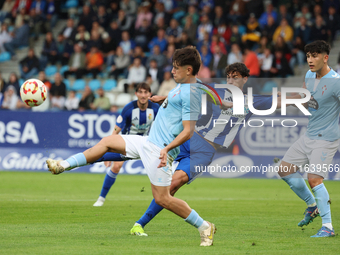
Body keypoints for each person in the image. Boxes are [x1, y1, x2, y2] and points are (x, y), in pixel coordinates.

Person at [46, 46, 217, 246]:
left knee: (163, 199)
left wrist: (167, 149)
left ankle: (204, 226)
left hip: (159, 148)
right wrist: (164, 99)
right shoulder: (183, 86)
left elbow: (188, 131)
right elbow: (197, 93)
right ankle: (62, 165)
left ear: (189, 70)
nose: (172, 71)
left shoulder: (191, 95)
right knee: (107, 142)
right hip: (148, 141)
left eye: (176, 68)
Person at [89, 62, 284, 237]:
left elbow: (280, 99)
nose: (231, 81)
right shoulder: (215, 91)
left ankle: (139, 224)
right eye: (229, 77)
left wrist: (305, 97)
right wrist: (164, 97)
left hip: (205, 151)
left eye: (236, 77)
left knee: (173, 185)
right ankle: (91, 157)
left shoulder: (254, 101)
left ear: (245, 79)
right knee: (144, 150)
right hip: (189, 139)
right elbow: (188, 93)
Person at [278, 40, 339, 237]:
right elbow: (304, 96)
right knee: (284, 170)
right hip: (309, 134)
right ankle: (312, 205)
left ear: (325, 57)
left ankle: (328, 227)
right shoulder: (309, 75)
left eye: (314, 56)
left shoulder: (335, 82)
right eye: (308, 56)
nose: (310, 60)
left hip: (327, 138)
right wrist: (282, 101)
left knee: (314, 179)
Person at [93, 83, 159, 206]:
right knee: (116, 167)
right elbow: (116, 129)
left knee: (158, 169)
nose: (143, 95)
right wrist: (108, 148)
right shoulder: (129, 108)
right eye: (140, 92)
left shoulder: (155, 108)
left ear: (150, 94)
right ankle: (101, 199)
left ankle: (163, 199)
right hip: (128, 142)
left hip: (146, 143)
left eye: (146, 92)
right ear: (136, 94)